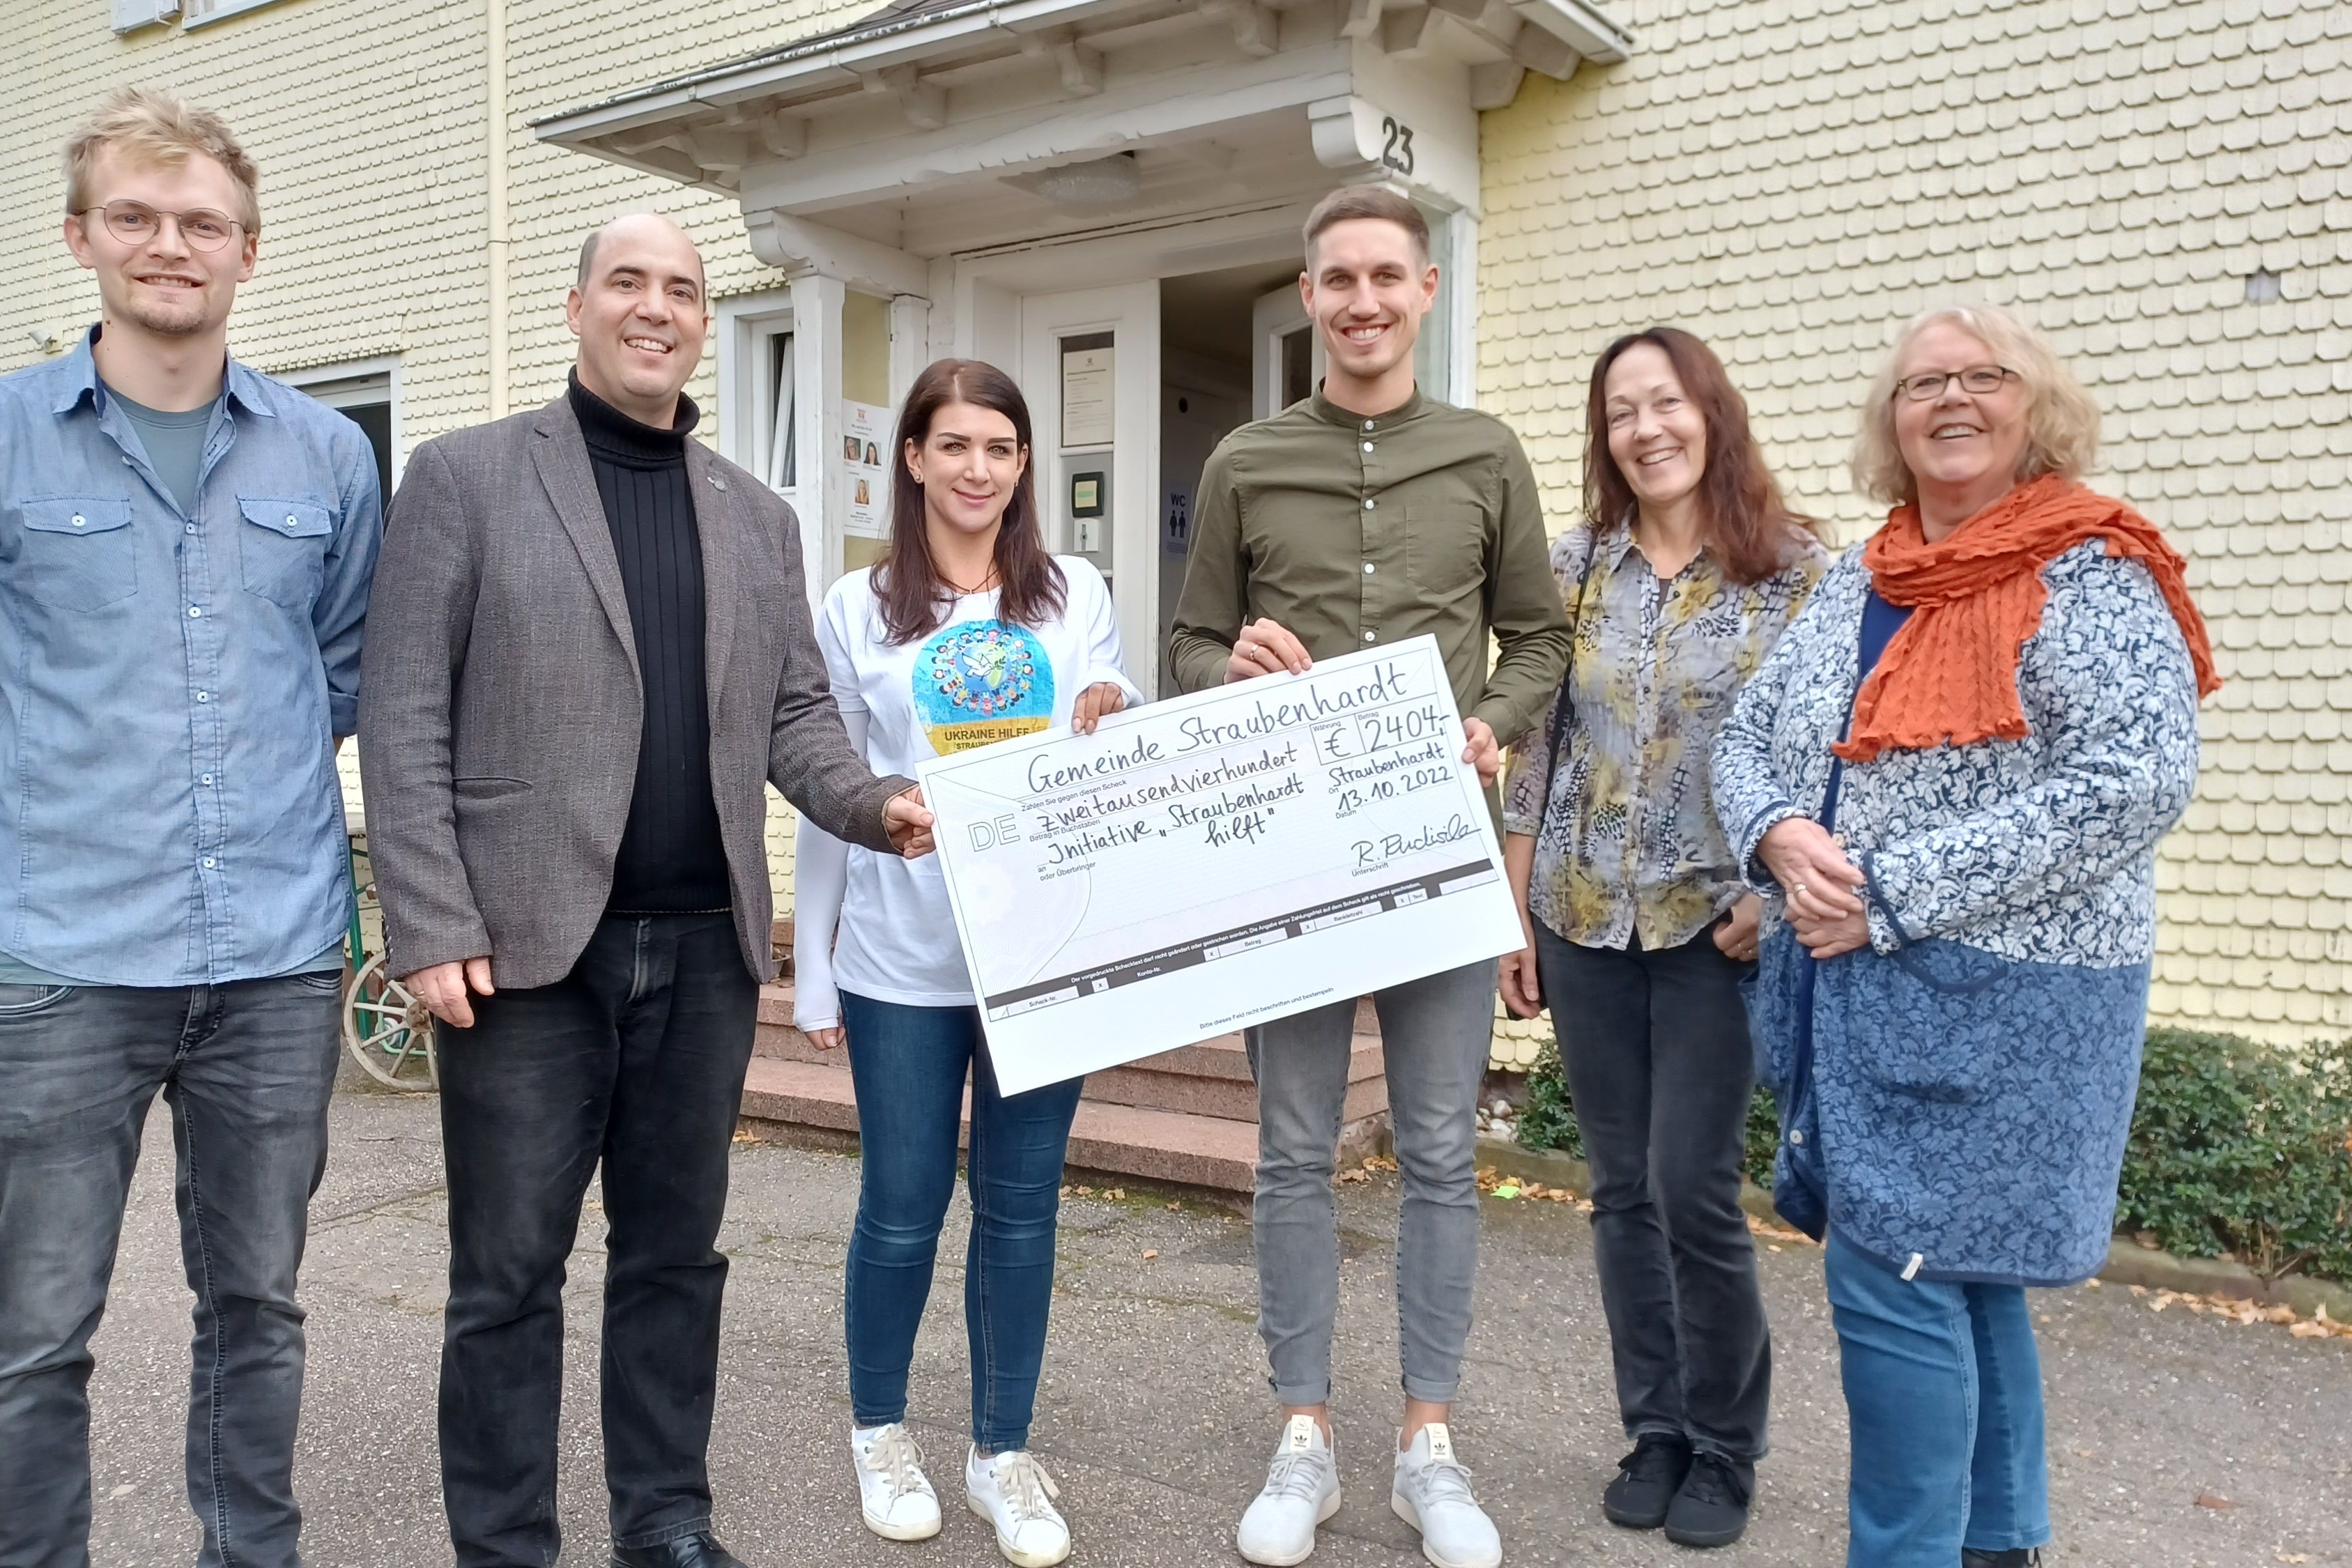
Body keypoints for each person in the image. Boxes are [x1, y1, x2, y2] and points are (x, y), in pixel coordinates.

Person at [358, 213, 934, 1568]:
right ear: (577, 307)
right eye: (630, 282)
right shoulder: (465, 478)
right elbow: (400, 713)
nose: (657, 307)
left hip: (704, 952)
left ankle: (665, 1525)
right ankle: (506, 1546)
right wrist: (426, 924)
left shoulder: (754, 515)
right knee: (506, 1278)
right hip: (524, 960)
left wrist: (872, 803)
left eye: (681, 288)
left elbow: (796, 712)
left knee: (676, 1263)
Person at [1709, 303, 2218, 1568]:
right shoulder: (1861, 578)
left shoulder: (2094, 568)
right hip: (1856, 980)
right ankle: (2002, 1542)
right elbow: (1749, 736)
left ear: (2033, 409)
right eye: (1921, 383)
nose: (1951, 399)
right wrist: (1776, 832)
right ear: (1891, 421)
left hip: (2014, 995)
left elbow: (2135, 778)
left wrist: (1887, 884)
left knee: (1895, 1279)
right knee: (1964, 1276)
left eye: (1982, 378)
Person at [0, 89, 381, 1568]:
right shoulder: (14, 437)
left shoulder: (327, 457)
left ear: (249, 250)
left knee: (259, 1311)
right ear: (81, 234)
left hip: (276, 959)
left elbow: (343, 672)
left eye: (202, 223)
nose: (172, 246)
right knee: (34, 1333)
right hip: (60, 961)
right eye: (139, 217)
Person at [1168, 185, 1571, 1568]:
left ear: (1424, 291)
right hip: (1291, 852)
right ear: (1305, 292)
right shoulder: (1242, 462)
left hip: (1436, 852)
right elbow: (1187, 643)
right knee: (1288, 1145)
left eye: (1383, 278)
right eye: (1335, 279)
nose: (1358, 302)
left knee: (1443, 1149)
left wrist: (1495, 725)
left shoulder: (1482, 454)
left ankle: (1425, 1444)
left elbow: (1536, 638)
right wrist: (1217, 668)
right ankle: (1301, 1436)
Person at [794, 358, 1139, 1568]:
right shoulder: (854, 608)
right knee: (900, 1208)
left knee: (1021, 1210)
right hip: (901, 956)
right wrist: (816, 969)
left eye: (999, 447)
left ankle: (1002, 1450)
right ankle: (880, 1429)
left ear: (1025, 463)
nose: (977, 469)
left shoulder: (1073, 591)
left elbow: (1114, 727)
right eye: (954, 446)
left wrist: (1112, 697)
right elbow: (828, 790)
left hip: (1044, 954)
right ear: (912, 459)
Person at [1497, 328, 1825, 1548]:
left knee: (1694, 1187)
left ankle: (1728, 1446)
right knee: (1620, 1189)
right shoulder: (1573, 564)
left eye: (1667, 403)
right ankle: (1658, 1429)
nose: (1648, 428)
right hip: (1582, 912)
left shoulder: (1792, 571)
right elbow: (1540, 746)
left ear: (1711, 413)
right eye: (1623, 411)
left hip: (1717, 928)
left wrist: (1777, 891)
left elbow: (1824, 748)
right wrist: (1510, 909)